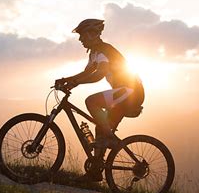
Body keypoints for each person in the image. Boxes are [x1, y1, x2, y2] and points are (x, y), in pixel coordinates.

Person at [55, 19, 144, 179]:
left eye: (82, 35)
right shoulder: (94, 53)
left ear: (92, 34)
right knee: (101, 128)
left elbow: (99, 74)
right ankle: (95, 172)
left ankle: (109, 139)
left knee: (91, 101)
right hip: (125, 92)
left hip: (131, 92)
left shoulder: (103, 50)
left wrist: (74, 82)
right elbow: (85, 73)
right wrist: (67, 80)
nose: (80, 39)